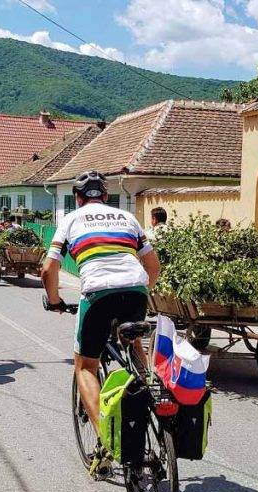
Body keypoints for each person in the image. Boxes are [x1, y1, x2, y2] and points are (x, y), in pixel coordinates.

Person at [40, 170, 161, 470]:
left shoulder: (70, 219)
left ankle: (107, 442)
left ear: (78, 199)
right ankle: (148, 387)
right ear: (106, 196)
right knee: (132, 341)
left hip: (98, 295)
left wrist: (54, 300)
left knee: (86, 367)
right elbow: (153, 265)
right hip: (135, 290)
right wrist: (143, 292)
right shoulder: (127, 219)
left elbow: (48, 269)